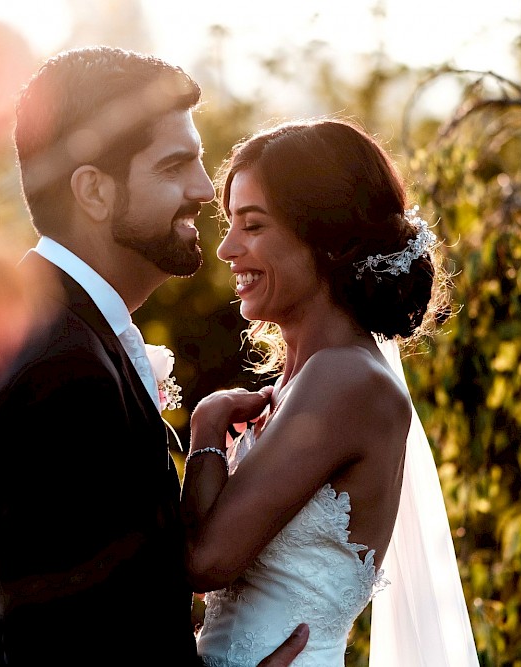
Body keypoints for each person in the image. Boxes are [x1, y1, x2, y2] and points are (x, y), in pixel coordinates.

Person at [0, 46, 308, 666]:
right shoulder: (58, 368)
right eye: (175, 166)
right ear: (94, 192)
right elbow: (66, 647)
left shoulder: (40, 335)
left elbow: (103, 609)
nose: (202, 189)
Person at [180, 118, 479, 666]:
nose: (226, 248)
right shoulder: (301, 383)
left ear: (324, 239)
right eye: (230, 224)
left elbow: (205, 562)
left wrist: (204, 428)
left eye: (252, 225)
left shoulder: (346, 380)